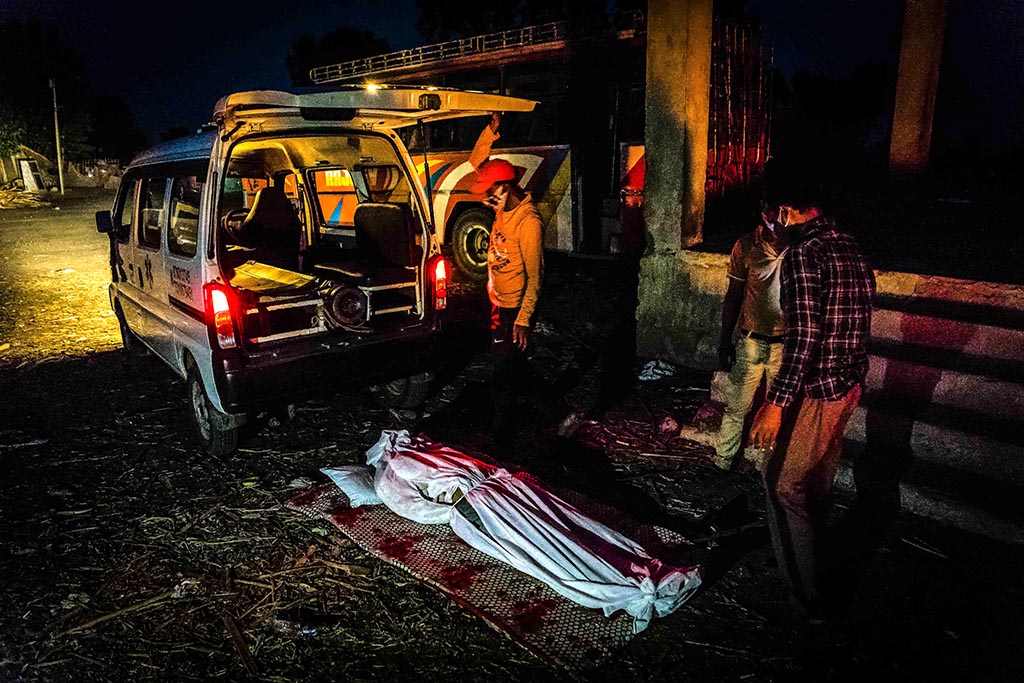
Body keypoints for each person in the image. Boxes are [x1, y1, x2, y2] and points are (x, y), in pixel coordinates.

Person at [748, 180, 875, 624]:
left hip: (818, 389)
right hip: (848, 385)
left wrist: (776, 404)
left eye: (773, 215)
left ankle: (807, 603)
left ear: (786, 210)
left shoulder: (805, 254)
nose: (771, 224)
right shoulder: (851, 246)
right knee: (816, 484)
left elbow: (803, 338)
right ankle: (815, 567)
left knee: (782, 486)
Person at [468, 113, 545, 440]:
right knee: (512, 363)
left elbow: (536, 276)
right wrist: (490, 131)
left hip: (514, 307)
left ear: (504, 186)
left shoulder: (528, 223)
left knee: (502, 367)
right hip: (499, 301)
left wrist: (523, 320)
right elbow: (476, 163)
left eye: (489, 191)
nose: (484, 198)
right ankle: (559, 414)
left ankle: (501, 431)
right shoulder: (502, 205)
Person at [712, 203, 787, 471]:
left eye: (781, 210)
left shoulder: (799, 248)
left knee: (778, 411)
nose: (776, 217)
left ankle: (767, 468)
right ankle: (723, 460)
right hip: (751, 341)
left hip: (785, 345)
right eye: (771, 210)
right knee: (736, 407)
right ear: (763, 212)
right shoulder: (745, 246)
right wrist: (725, 340)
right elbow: (733, 295)